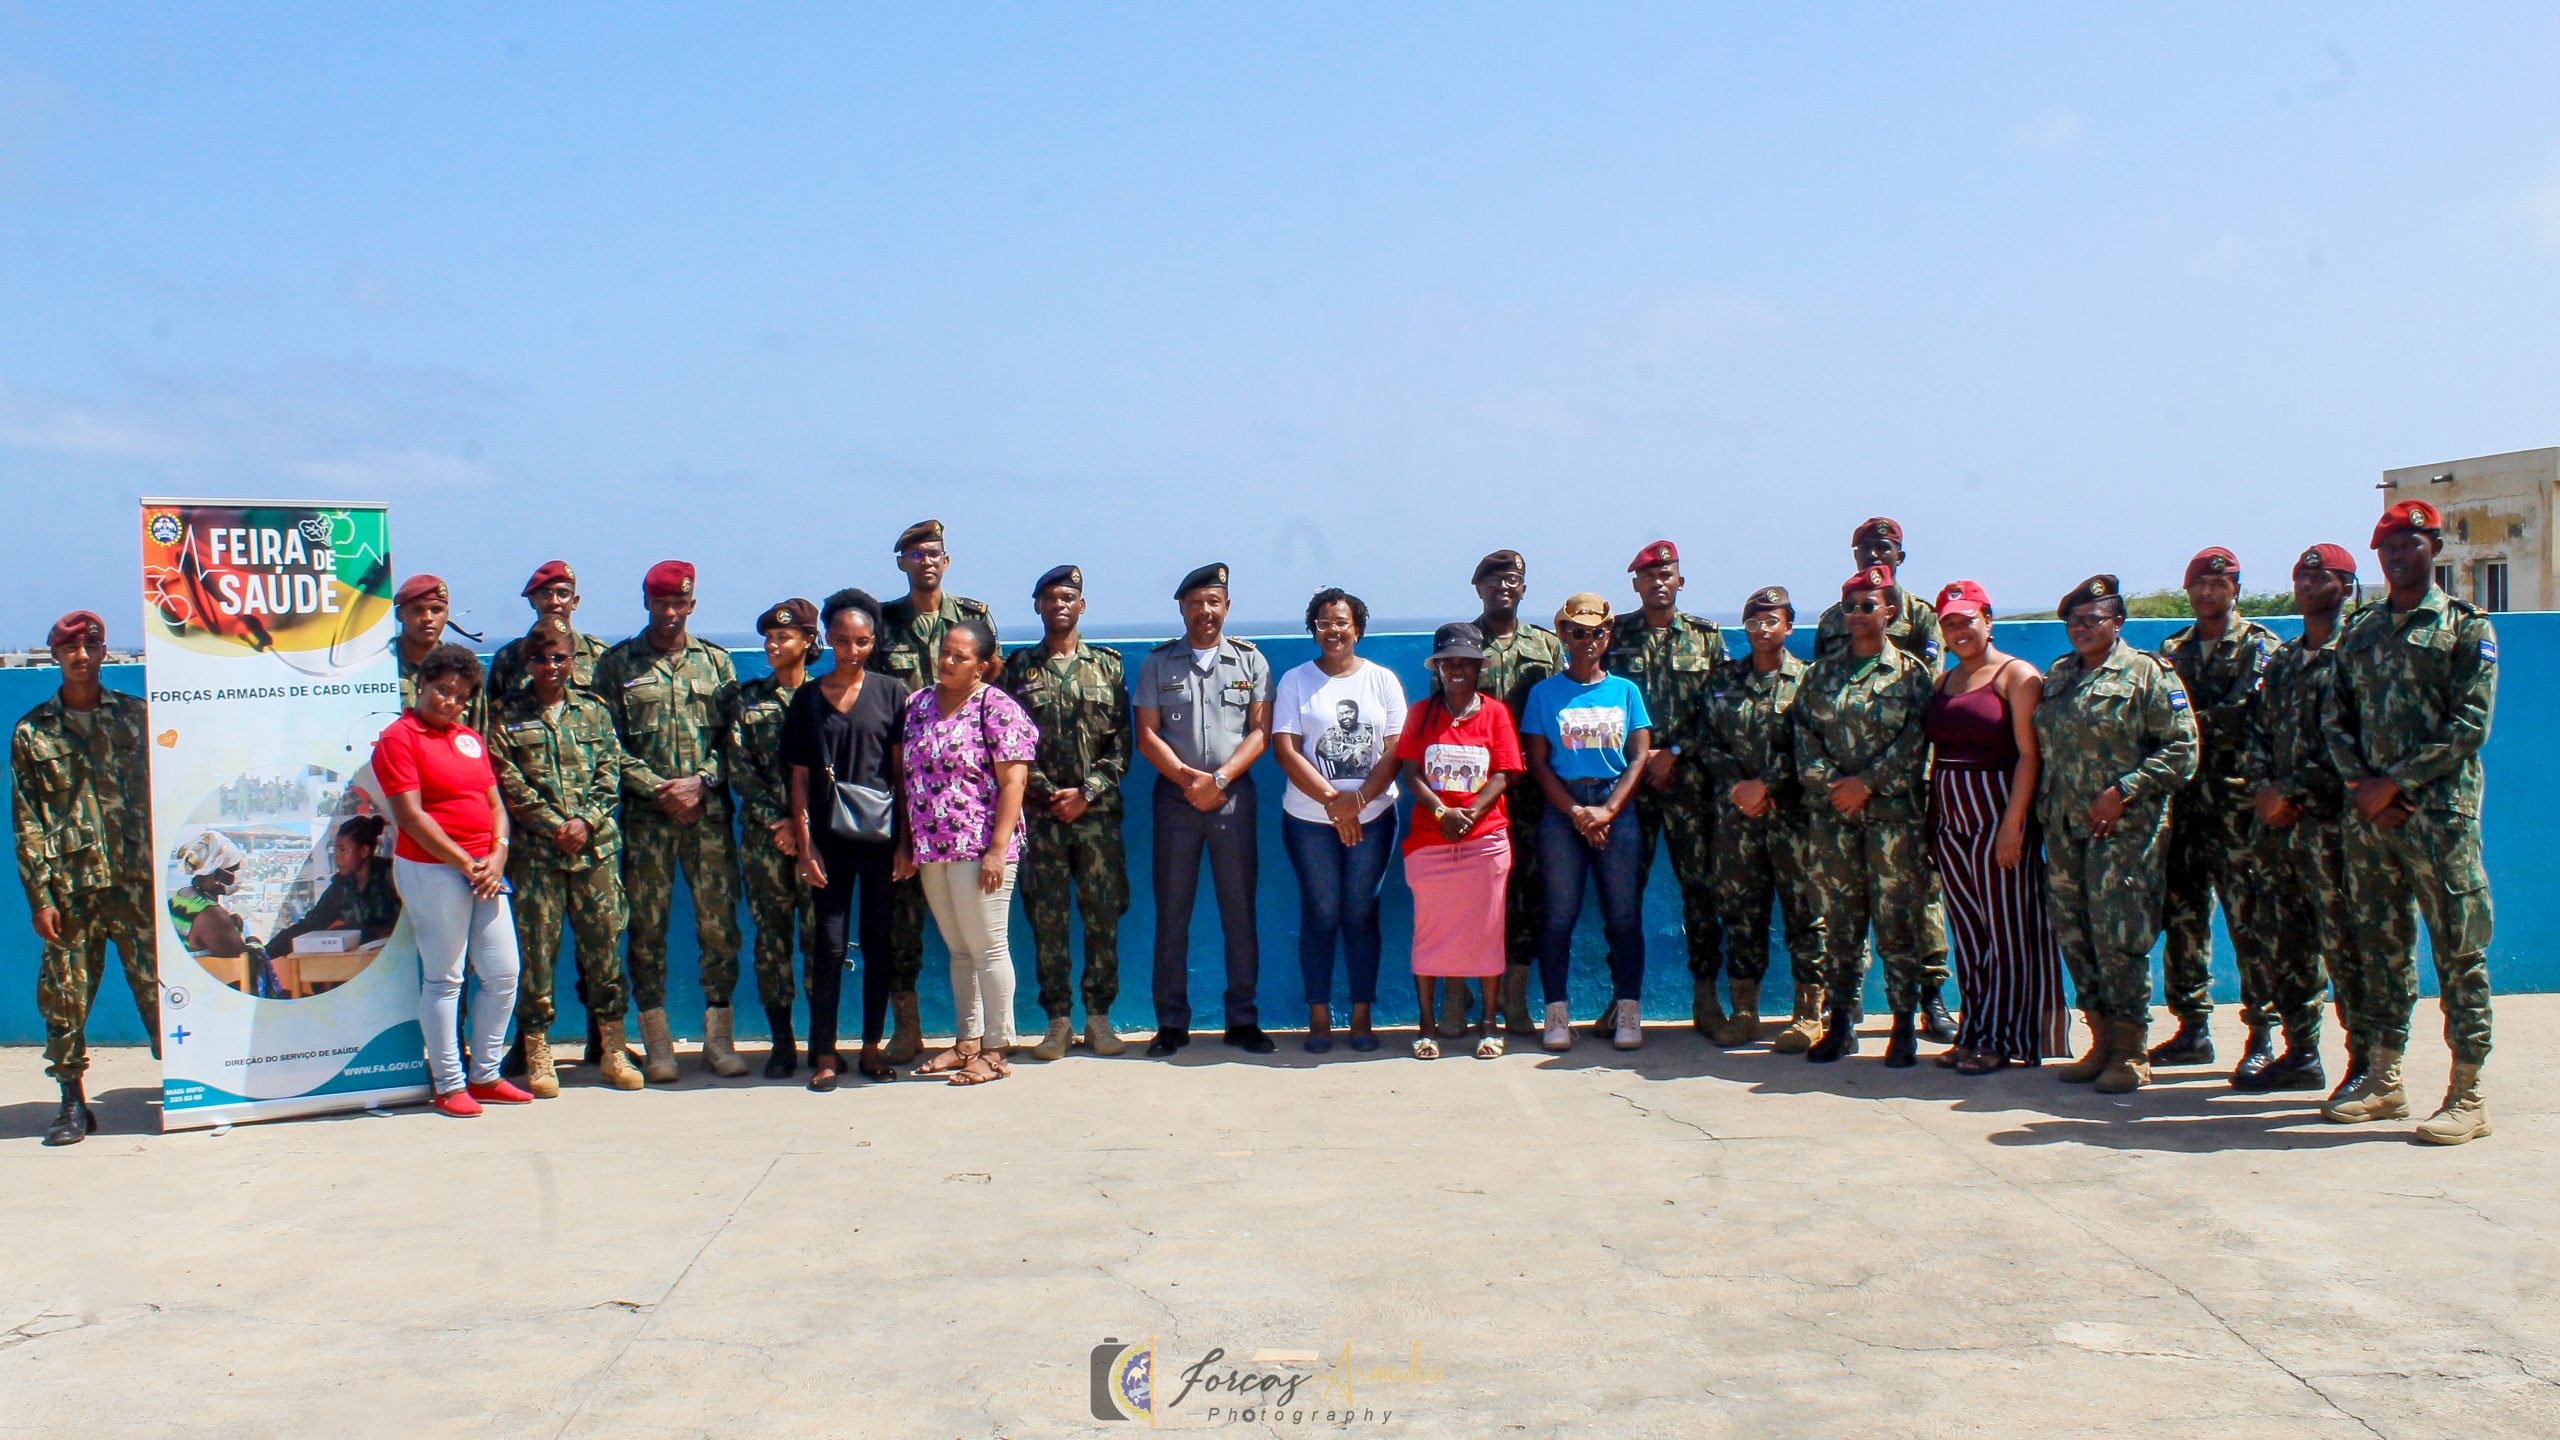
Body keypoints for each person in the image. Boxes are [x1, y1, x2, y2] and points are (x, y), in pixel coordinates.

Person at [2320, 500, 2498, 1145]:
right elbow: (2334, 719)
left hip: (2438, 817)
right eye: (2388, 546)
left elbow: (2470, 723)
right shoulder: (2359, 632)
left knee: (2459, 950)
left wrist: (2393, 782)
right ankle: (2384, 1080)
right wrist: (2362, 786)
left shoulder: (2464, 627)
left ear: (2435, 548)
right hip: (2371, 822)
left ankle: (2467, 1092)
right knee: (2381, 949)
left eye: (2411, 543)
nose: (2398, 555)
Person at [2033, 574, 2199, 1094]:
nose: (2081, 629)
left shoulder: (2148, 674)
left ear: (2117, 623)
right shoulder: (2059, 675)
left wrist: (2124, 789)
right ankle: (2100, 1039)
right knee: (2077, 936)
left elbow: (2182, 750)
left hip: (2124, 833)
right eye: (2073, 621)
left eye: (2092, 620)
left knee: (2119, 939)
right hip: (2064, 830)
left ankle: (2131, 1050)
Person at [14, 610, 157, 1147]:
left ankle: (192, 1087)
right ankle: (72, 1103)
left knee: (162, 990)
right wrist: (39, 896)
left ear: (103, 652)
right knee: (65, 998)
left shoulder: (136, 718)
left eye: (91, 646)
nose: (81, 656)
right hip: (73, 893)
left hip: (136, 885)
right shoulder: (32, 732)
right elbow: (27, 819)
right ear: (55, 655)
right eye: (70, 648)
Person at [1812, 518, 1957, 1040]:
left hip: (1904, 787)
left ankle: (1930, 998)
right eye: (1866, 548)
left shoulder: (1920, 616)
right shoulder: (1834, 618)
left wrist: (1872, 780)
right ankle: (1843, 1009)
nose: (1876, 554)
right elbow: (1819, 705)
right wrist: (1837, 782)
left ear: (1901, 554)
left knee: (1917, 900)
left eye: (1886, 547)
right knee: (1844, 906)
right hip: (1840, 795)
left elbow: (1930, 695)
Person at [373, 642, 530, 1117]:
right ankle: (448, 1083)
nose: (450, 703)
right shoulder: (399, 738)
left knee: (503, 973)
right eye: (442, 691)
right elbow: (412, 817)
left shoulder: (468, 739)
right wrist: (466, 863)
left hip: (484, 870)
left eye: (460, 697)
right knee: (446, 978)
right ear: (421, 685)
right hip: (432, 869)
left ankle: (485, 1074)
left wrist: (497, 856)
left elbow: (495, 806)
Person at [488, 616, 641, 1095]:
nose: (551, 667)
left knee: (604, 952)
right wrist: (557, 826)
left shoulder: (593, 712)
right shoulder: (507, 716)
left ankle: (613, 1047)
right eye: (540, 659)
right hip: (538, 858)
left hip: (594, 853)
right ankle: (538, 1050)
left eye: (559, 658)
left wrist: (586, 821)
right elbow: (508, 782)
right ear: (526, 664)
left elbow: (609, 770)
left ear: (573, 661)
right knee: (536, 957)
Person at [2150, 547, 2287, 1079]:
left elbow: (2241, 714)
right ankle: (2192, 1029)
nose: (2208, 592)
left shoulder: (2260, 647)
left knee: (2249, 921)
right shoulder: (2173, 649)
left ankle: (2262, 1034)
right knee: (2183, 920)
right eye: (2199, 584)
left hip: (2237, 804)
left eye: (2219, 583)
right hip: (2184, 803)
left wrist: (2184, 726)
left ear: (2236, 587)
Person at [1794, 566, 1937, 1067]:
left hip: (1893, 818)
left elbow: (1917, 740)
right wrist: (1836, 787)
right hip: (1834, 818)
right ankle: (1839, 1023)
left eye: (1868, 606)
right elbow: (1805, 739)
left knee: (1897, 924)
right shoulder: (1821, 675)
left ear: (1890, 613)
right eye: (1850, 607)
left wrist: (1867, 784)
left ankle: (1902, 1026)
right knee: (1841, 925)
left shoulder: (1911, 674)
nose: (1857, 615)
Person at [1133, 562, 1277, 1056]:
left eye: (1213, 602)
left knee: (1239, 913)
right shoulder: (1158, 664)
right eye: (1196, 603)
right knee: (1172, 914)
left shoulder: (1250, 662)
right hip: (1176, 801)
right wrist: (1187, 780)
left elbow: (1261, 731)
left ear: (1226, 607)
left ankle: (1243, 1019)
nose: (1205, 612)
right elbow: (1147, 734)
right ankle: (1171, 1023)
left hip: (1233, 798)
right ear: (1182, 608)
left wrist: (1219, 779)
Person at [869, 518, 999, 1063]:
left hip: (966, 801)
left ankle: (987, 1040)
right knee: (903, 916)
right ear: (901, 563)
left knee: (979, 932)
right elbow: (871, 695)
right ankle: (908, 1027)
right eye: (916, 554)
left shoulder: (973, 617)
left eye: (935, 553)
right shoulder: (884, 621)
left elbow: (993, 694)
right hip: (906, 787)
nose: (926, 561)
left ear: (947, 561)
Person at [1924, 581, 2068, 1072]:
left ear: (1988, 619)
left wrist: (2013, 826)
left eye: (1967, 619)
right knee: (1967, 933)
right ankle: (1974, 1029)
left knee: (2008, 933)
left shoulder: (2016, 676)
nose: (1958, 630)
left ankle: (2004, 1039)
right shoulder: (1942, 683)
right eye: (1949, 622)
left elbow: (2030, 755)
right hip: (1951, 815)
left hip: (1996, 810)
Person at [999, 565, 1132, 1061]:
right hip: (1041, 816)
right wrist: (1050, 792)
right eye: (1050, 596)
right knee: (1047, 919)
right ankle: (1057, 1021)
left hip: (1097, 817)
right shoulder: (1017, 670)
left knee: (1102, 917)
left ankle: (1099, 1019)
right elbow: (1008, 744)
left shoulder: (1109, 667)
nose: (1060, 603)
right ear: (1037, 606)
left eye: (1069, 596)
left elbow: (1121, 743)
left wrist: (1088, 791)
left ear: (1083, 606)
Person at [2239, 545, 2359, 1097]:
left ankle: (2364, 1063)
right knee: (2285, 942)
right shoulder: (2284, 660)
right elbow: (2258, 731)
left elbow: (2355, 740)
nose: (2307, 582)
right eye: (2301, 574)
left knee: (2346, 946)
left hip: (2333, 827)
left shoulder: (2356, 652)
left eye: (2321, 574)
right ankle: (2301, 1052)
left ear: (2347, 584)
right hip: (2279, 828)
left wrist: (2292, 790)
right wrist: (2264, 787)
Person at [898, 619, 1039, 1086]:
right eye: (945, 652)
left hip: (979, 847)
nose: (948, 662)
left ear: (982, 666)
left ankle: (997, 1048)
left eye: (960, 656)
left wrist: (998, 850)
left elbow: (1014, 782)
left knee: (989, 948)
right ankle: (967, 1041)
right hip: (931, 846)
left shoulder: (997, 708)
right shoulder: (917, 704)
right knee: (959, 950)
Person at [1691, 587, 1827, 1051]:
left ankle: (1809, 1014)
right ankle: (1745, 1013)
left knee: (1804, 914)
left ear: (1788, 626)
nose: (1762, 630)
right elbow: (1706, 741)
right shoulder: (1723, 680)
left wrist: (1766, 786)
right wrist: (1738, 787)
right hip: (1737, 820)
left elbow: (1813, 746)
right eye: (1753, 622)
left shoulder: (1808, 682)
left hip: (1793, 819)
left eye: (1772, 621)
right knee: (1742, 915)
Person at [1272, 588, 1407, 1053]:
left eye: (1342, 622)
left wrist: (1361, 801)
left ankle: (1361, 1017)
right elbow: (1286, 750)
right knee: (1322, 912)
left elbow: (1395, 750)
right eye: (1324, 622)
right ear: (1313, 629)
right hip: (1309, 819)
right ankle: (1318, 1017)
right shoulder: (1295, 681)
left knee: (1360, 912)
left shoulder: (1383, 681)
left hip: (1375, 816)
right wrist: (1334, 801)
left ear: (1358, 629)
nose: (1333, 630)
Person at [784, 588, 909, 1090]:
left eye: (860, 641)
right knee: (828, 947)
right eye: (840, 641)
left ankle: (873, 1047)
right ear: (826, 640)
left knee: (880, 944)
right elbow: (797, 778)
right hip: (829, 841)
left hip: (881, 840)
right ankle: (824, 1052)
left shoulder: (891, 692)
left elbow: (901, 775)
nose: (850, 651)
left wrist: (906, 843)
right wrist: (806, 842)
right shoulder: (807, 699)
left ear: (873, 641)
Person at [1520, 593, 1653, 1052]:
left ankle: (1629, 1013)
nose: (1588, 640)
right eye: (1577, 631)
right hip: (1564, 811)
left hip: (1616, 807)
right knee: (1558, 917)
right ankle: (1556, 1015)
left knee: (1622, 916)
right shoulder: (1544, 694)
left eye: (1597, 631)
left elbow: (1638, 756)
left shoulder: (1626, 692)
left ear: (1608, 634)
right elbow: (1537, 763)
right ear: (1562, 634)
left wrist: (1609, 809)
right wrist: (1576, 811)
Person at [1605, 540, 1726, 1037]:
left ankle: (1706, 998)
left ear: (1681, 581)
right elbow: (1604, 702)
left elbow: (1720, 705)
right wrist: (1643, 757)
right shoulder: (1617, 636)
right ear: (1635, 585)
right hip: (1630, 785)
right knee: (1622, 895)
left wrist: (1673, 753)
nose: (1659, 582)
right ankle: (1622, 997)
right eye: (1649, 576)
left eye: (1667, 574)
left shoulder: (1707, 638)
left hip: (1689, 785)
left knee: (1701, 891)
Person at [1397, 623, 1523, 1060]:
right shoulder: (1421, 714)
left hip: (1485, 840)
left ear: (1476, 669)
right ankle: (1427, 1026)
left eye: (1464, 663)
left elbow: (1504, 772)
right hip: (1430, 841)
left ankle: (1489, 1024)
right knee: (1429, 933)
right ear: (1438, 668)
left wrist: (1470, 815)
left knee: (1487, 932)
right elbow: (1411, 773)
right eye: (1448, 662)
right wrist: (1441, 813)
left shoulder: (1495, 714)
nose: (1456, 670)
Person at [1458, 550, 1565, 1038]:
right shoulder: (1460, 643)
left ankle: (1516, 1002)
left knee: (1528, 896)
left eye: (1514, 580)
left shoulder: (1546, 646)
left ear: (1524, 590)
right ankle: (1461, 999)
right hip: (1471, 794)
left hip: (1530, 793)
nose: (1505, 586)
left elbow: (1561, 709)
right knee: (1469, 897)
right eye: (1495, 579)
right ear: (1477, 587)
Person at [723, 598, 821, 1077]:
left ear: (808, 641)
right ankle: (782, 1043)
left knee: (820, 939)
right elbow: (740, 771)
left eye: (785, 636)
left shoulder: (827, 696)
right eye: (769, 636)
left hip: (819, 841)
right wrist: (778, 823)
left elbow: (838, 771)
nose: (774, 644)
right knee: (772, 941)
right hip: (767, 842)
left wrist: (806, 829)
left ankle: (821, 1041)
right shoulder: (749, 700)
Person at [264, 815, 400, 959]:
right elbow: (310, 925)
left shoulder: (393, 877)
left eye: (343, 850)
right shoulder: (340, 888)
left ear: (363, 851)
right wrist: (266, 953)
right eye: (335, 851)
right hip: (357, 965)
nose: (336, 858)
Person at [484, 560, 611, 700]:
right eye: (545, 594)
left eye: (563, 593)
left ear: (575, 602)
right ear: (532, 601)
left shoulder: (599, 654)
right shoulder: (508, 658)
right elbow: (492, 715)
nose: (554, 601)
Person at [393, 574, 486, 735]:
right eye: (417, 609)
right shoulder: (378, 664)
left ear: (446, 615)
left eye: (436, 610)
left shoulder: (463, 669)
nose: (428, 618)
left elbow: (478, 738)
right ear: (400, 614)